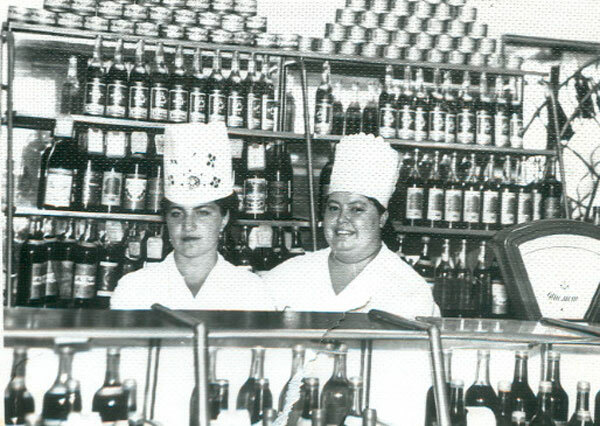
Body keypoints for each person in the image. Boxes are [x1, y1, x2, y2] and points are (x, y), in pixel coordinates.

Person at [264, 133, 438, 319]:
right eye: (334, 208)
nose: (341, 219)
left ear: (382, 218)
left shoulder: (409, 288)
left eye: (357, 209)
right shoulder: (290, 273)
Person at [111, 122, 273, 310]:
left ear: (224, 218)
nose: (188, 225)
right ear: (166, 220)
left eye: (203, 213)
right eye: (177, 213)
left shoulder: (251, 291)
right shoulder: (133, 288)